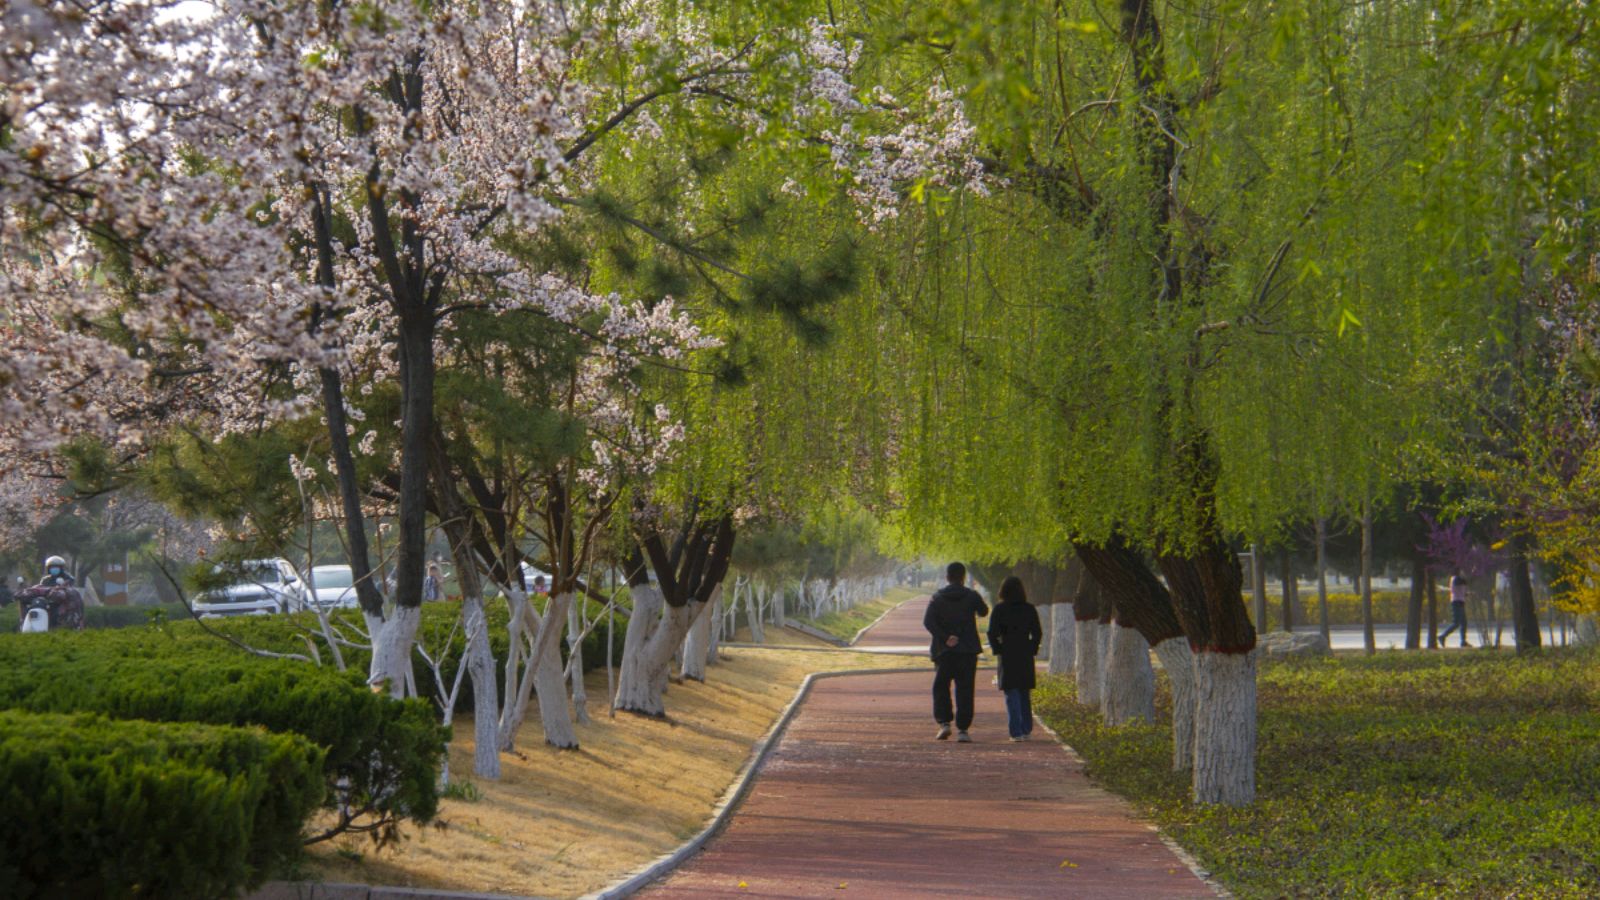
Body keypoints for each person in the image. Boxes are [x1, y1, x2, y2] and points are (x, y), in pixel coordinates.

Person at [924, 561, 989, 742]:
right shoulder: (972, 596)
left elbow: (928, 622)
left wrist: (945, 637)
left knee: (941, 687)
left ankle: (944, 723)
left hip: (944, 651)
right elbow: (984, 612)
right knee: (965, 689)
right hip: (967, 650)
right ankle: (963, 729)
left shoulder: (937, 598)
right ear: (963, 577)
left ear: (947, 577)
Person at [987, 575, 1042, 742]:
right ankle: (1026, 729)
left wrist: (998, 649)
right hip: (1024, 652)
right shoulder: (1029, 609)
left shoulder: (1000, 609)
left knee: (1011, 692)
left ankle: (1015, 732)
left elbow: (992, 633)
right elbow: (1037, 632)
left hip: (1008, 652)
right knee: (1024, 691)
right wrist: (1032, 648)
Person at [1439, 569, 1471, 648]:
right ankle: (1442, 636)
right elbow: (1463, 582)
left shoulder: (1460, 580)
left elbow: (1462, 590)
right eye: (1462, 571)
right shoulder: (1456, 579)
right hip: (1456, 602)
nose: (1463, 573)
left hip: (1460, 602)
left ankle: (1463, 641)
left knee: (1464, 623)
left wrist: (1467, 594)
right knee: (1456, 623)